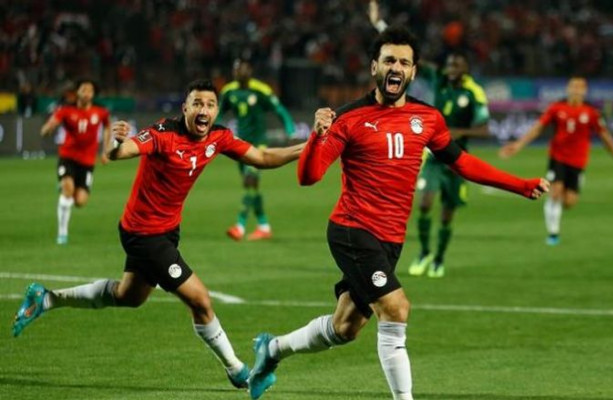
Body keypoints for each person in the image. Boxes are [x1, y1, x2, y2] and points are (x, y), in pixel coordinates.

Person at [246, 26, 549, 400]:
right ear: (374, 67)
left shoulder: (427, 118)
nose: (397, 67)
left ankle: (272, 350)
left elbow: (463, 163)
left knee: (345, 327)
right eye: (389, 60)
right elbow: (308, 177)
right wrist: (317, 135)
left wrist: (520, 185)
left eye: (404, 62)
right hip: (352, 229)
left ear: (413, 72)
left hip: (390, 240)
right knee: (395, 308)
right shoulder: (348, 118)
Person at [12, 79, 305, 390]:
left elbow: (263, 158)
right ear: (185, 108)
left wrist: (307, 147)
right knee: (200, 300)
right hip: (144, 233)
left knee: (129, 296)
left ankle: (46, 299)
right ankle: (239, 372)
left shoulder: (218, 137)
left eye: (210, 105)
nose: (203, 110)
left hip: (166, 232)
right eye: (197, 103)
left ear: (217, 111)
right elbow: (123, 151)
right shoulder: (163, 134)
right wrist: (114, 144)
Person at [368, 0, 491, 277]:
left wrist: (459, 132)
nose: (451, 68)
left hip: (457, 160)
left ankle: (439, 258)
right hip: (434, 157)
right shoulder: (439, 79)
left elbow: (485, 129)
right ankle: (424, 252)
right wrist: (378, 24)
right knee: (424, 204)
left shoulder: (474, 92)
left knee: (447, 213)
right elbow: (405, 53)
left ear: (466, 68)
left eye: (456, 65)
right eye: (449, 65)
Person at [499, 76, 613, 245]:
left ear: (585, 91)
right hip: (558, 157)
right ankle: (553, 233)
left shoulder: (591, 112)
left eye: (579, 87)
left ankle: (558, 203)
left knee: (569, 202)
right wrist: (518, 145)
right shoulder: (556, 108)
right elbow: (538, 128)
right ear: (568, 89)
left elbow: (604, 136)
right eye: (573, 87)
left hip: (578, 162)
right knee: (555, 193)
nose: (576, 90)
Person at [219, 57, 296, 241]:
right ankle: (263, 225)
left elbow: (279, 109)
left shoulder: (261, 90)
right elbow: (219, 114)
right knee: (251, 187)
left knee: (250, 179)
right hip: (239, 145)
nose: (241, 72)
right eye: (238, 68)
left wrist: (290, 128)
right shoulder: (228, 91)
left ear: (250, 71)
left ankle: (240, 225)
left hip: (258, 143)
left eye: (244, 68)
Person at [40, 79, 112, 245]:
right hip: (68, 157)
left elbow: (108, 127)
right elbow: (50, 125)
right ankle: (62, 234)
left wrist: (106, 150)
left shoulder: (101, 112)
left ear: (93, 94)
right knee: (68, 190)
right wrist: (47, 129)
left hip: (87, 162)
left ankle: (64, 185)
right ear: (77, 92)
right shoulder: (66, 110)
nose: (86, 93)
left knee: (80, 201)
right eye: (83, 89)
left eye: (90, 90)